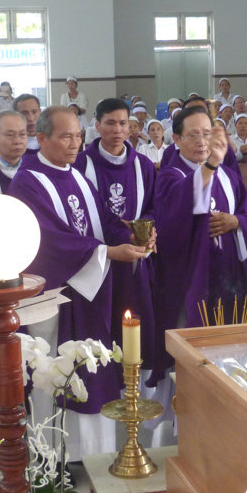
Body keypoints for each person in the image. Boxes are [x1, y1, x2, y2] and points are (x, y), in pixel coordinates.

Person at [7, 106, 148, 458]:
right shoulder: (26, 182)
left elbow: (103, 220)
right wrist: (108, 252)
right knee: (52, 372)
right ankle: (53, 455)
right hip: (53, 298)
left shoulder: (78, 177)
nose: (75, 144)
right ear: (41, 138)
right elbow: (47, 240)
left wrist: (131, 235)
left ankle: (93, 453)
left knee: (91, 370)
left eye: (78, 136)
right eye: (66, 136)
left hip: (89, 292)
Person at [153, 107, 247, 356]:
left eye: (206, 133)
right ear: (177, 139)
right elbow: (173, 216)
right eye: (193, 135)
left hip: (229, 274)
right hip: (192, 277)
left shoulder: (227, 175)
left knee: (233, 343)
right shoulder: (170, 176)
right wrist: (211, 165)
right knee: (195, 349)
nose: (202, 141)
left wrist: (236, 221)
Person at [76, 98, 158, 376]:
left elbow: (154, 207)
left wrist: (150, 229)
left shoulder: (143, 165)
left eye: (123, 123)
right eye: (110, 123)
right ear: (97, 125)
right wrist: (120, 231)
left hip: (135, 260)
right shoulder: (80, 164)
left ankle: (136, 379)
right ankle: (103, 379)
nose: (118, 129)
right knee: (102, 324)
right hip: (97, 259)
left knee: (136, 317)